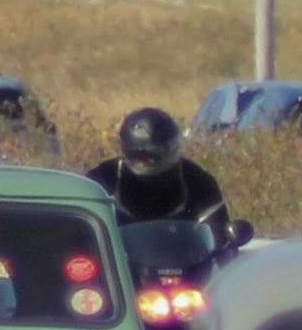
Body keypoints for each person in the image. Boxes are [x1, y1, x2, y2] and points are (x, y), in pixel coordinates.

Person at [87, 107, 232, 250]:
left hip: (188, 267)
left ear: (174, 148)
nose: (146, 162)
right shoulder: (100, 180)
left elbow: (218, 236)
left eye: (156, 155)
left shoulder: (198, 180)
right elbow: (83, 232)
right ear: (125, 149)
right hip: (120, 268)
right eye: (140, 155)